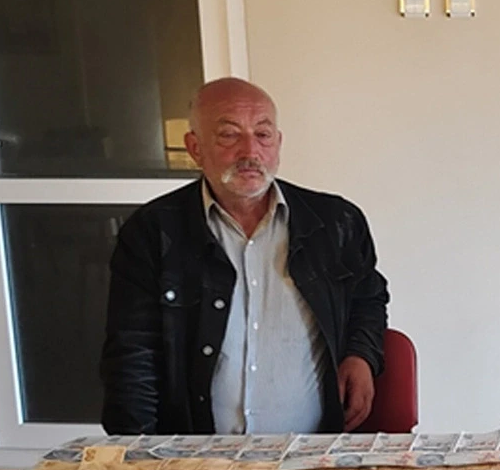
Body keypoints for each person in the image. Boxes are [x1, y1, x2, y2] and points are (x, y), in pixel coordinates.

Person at [101, 78, 389, 436]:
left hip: (310, 451)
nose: (250, 151)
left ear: (278, 144)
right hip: (198, 454)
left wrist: (360, 354)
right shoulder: (152, 232)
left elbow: (367, 298)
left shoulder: (336, 223)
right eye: (229, 135)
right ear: (195, 147)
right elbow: (133, 357)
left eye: (263, 135)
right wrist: (139, 452)